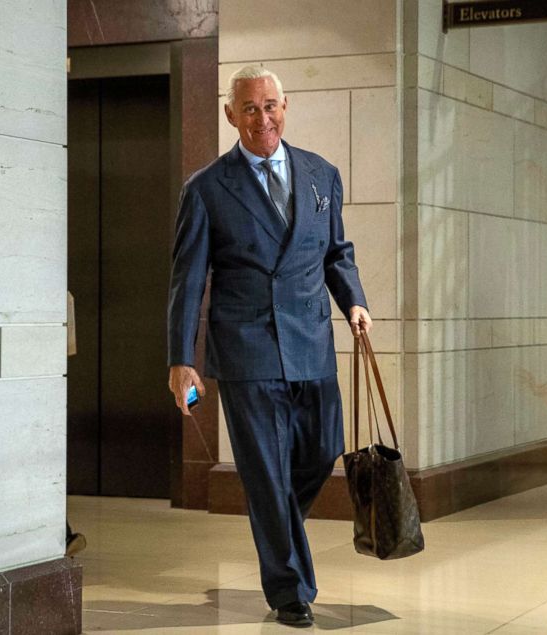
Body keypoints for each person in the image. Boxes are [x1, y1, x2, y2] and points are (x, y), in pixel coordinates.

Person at [167, 65, 371, 627]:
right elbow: (188, 280)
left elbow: (337, 252)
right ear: (231, 115)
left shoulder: (320, 175)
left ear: (287, 107)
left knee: (321, 452)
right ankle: (289, 591)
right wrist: (182, 359)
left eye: (271, 106)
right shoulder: (207, 188)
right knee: (266, 473)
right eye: (250, 109)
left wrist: (353, 299)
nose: (263, 118)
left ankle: (276, 527)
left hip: (311, 343)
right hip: (247, 350)